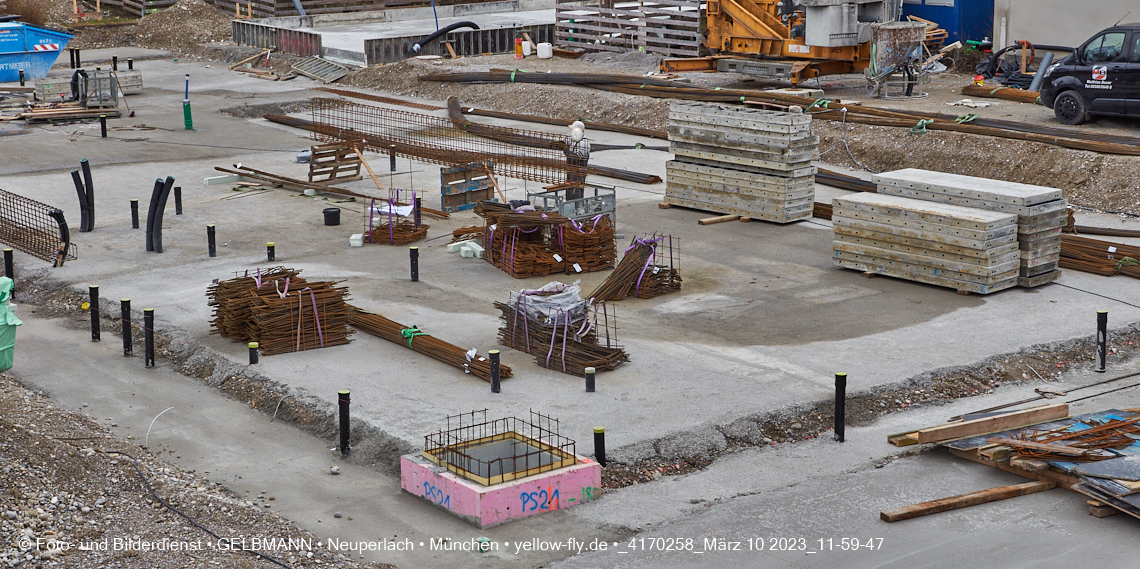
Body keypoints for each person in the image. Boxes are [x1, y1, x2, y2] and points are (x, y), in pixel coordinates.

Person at [564, 121, 590, 201]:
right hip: (570, 170)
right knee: (569, 188)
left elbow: (575, 157)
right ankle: (569, 205)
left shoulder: (584, 143)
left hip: (579, 171)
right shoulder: (573, 140)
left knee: (577, 190)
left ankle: (577, 207)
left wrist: (566, 150)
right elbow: (565, 143)